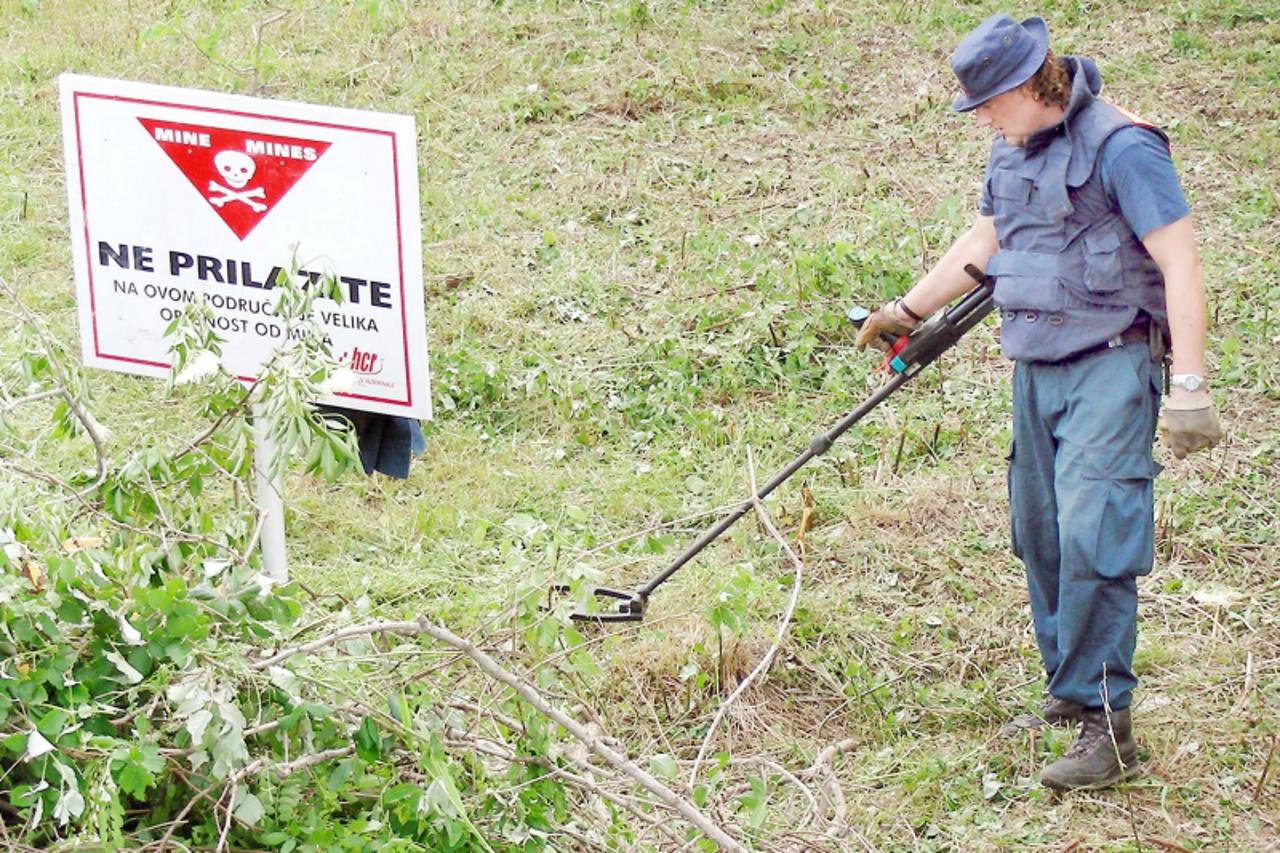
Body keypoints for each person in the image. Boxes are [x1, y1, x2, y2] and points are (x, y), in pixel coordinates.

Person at [855, 12, 1224, 790]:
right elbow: (986, 239)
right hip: (1037, 365)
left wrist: (1188, 386)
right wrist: (907, 310)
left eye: (988, 102)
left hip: (1111, 362)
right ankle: (1069, 687)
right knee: (1043, 530)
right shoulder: (1014, 147)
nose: (981, 118)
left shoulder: (1126, 148)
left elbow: (1180, 261)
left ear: (1031, 84)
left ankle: (1107, 724)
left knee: (1095, 531)